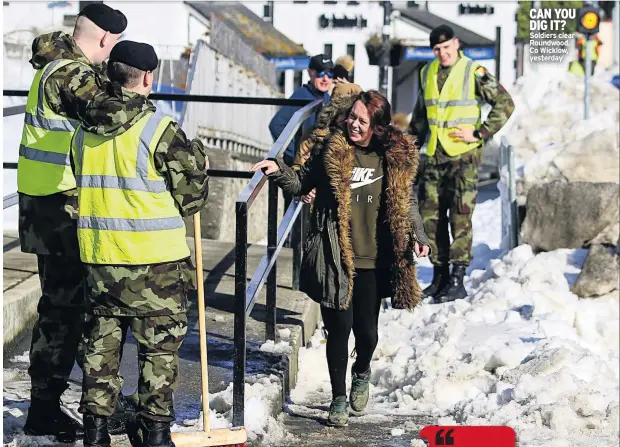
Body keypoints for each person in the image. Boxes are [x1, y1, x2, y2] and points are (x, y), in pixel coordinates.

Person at [251, 90, 431, 427]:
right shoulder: (333, 152)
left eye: (362, 120)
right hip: (336, 255)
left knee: (367, 334)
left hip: (375, 261)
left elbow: (408, 204)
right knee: (338, 330)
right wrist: (277, 170)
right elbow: (302, 182)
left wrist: (419, 237)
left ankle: (361, 371)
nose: (353, 124)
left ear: (377, 126)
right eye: (352, 116)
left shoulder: (394, 158)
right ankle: (337, 398)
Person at [71, 41, 209, 447]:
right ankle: (155, 432)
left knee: (100, 352)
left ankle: (95, 433)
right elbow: (193, 198)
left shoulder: (83, 131)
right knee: (159, 353)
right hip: (157, 266)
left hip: (100, 261)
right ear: (148, 77)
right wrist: (196, 159)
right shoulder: (160, 130)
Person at [16, 4, 128, 442]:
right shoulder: (72, 74)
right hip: (62, 207)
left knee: (64, 308)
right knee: (71, 310)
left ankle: (57, 405)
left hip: (50, 204)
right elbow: (114, 116)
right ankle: (63, 408)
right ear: (105, 39)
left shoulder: (55, 66)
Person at [410, 25, 515, 304]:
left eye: (446, 47)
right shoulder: (427, 72)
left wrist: (479, 133)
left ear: (456, 44)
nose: (442, 53)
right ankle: (439, 276)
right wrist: (409, 151)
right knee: (430, 219)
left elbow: (505, 103)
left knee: (459, 217)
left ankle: (457, 280)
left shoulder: (473, 71)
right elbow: (420, 118)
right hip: (434, 156)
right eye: (437, 49)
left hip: (464, 157)